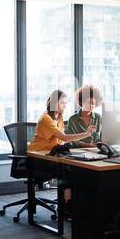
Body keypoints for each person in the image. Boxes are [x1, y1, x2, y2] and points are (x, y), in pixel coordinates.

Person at [27, 90, 95, 218]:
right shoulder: (45, 118)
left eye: (65, 103)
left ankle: (69, 203)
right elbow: (63, 137)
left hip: (51, 155)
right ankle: (67, 205)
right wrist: (86, 134)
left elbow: (60, 142)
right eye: (62, 103)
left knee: (74, 168)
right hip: (37, 159)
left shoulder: (59, 117)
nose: (65, 105)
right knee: (67, 170)